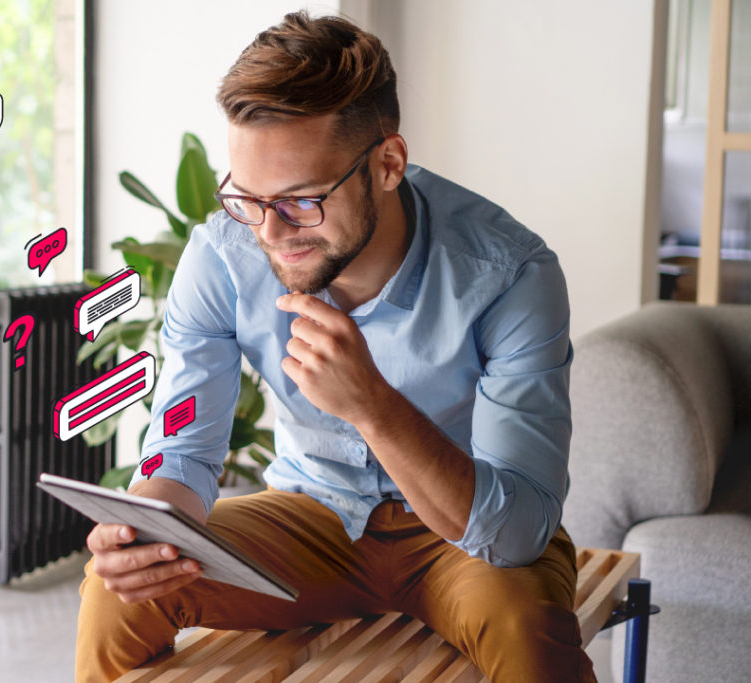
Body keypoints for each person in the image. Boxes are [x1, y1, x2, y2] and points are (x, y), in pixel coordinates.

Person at [76, 11, 594, 682]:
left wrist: (374, 405)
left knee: (528, 631)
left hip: (463, 534)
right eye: (248, 198)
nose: (269, 229)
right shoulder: (222, 260)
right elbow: (183, 451)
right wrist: (145, 530)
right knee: (115, 596)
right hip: (309, 516)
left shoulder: (510, 274)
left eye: (301, 200)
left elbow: (518, 529)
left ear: (388, 163)